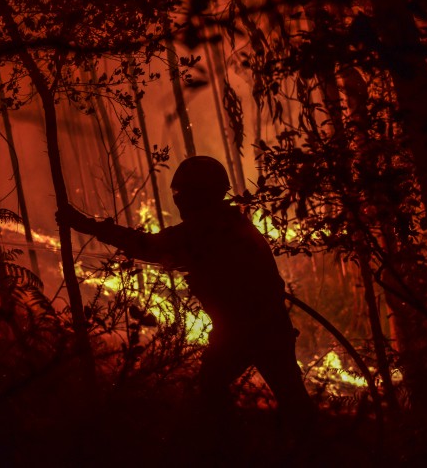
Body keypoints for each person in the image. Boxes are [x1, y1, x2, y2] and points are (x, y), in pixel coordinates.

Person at [57, 156, 316, 436]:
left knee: (212, 391)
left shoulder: (209, 226)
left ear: (200, 193)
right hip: (266, 327)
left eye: (183, 192)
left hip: (244, 330)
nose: (178, 199)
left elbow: (148, 246)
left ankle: (233, 449)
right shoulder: (228, 223)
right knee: (287, 401)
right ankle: (299, 449)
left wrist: (88, 225)